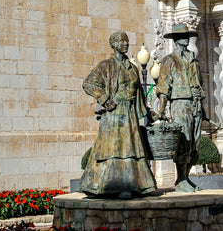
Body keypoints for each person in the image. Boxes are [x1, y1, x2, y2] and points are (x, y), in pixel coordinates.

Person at [79, 31, 157, 198]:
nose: (125, 44)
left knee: (130, 148)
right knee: (114, 149)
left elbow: (139, 93)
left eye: (127, 41)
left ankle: (136, 185)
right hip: (114, 113)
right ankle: (109, 186)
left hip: (129, 113)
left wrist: (148, 113)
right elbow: (88, 83)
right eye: (121, 41)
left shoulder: (133, 67)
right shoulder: (106, 65)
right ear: (113, 44)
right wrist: (105, 99)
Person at [155, 23, 204, 191]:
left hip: (196, 103)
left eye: (187, 35)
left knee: (195, 143)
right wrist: (161, 110)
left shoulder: (193, 59)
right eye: (183, 36)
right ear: (176, 39)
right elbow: (163, 87)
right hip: (180, 103)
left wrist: (202, 107)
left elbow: (199, 82)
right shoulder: (169, 60)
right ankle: (181, 179)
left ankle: (186, 177)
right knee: (184, 140)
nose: (186, 39)